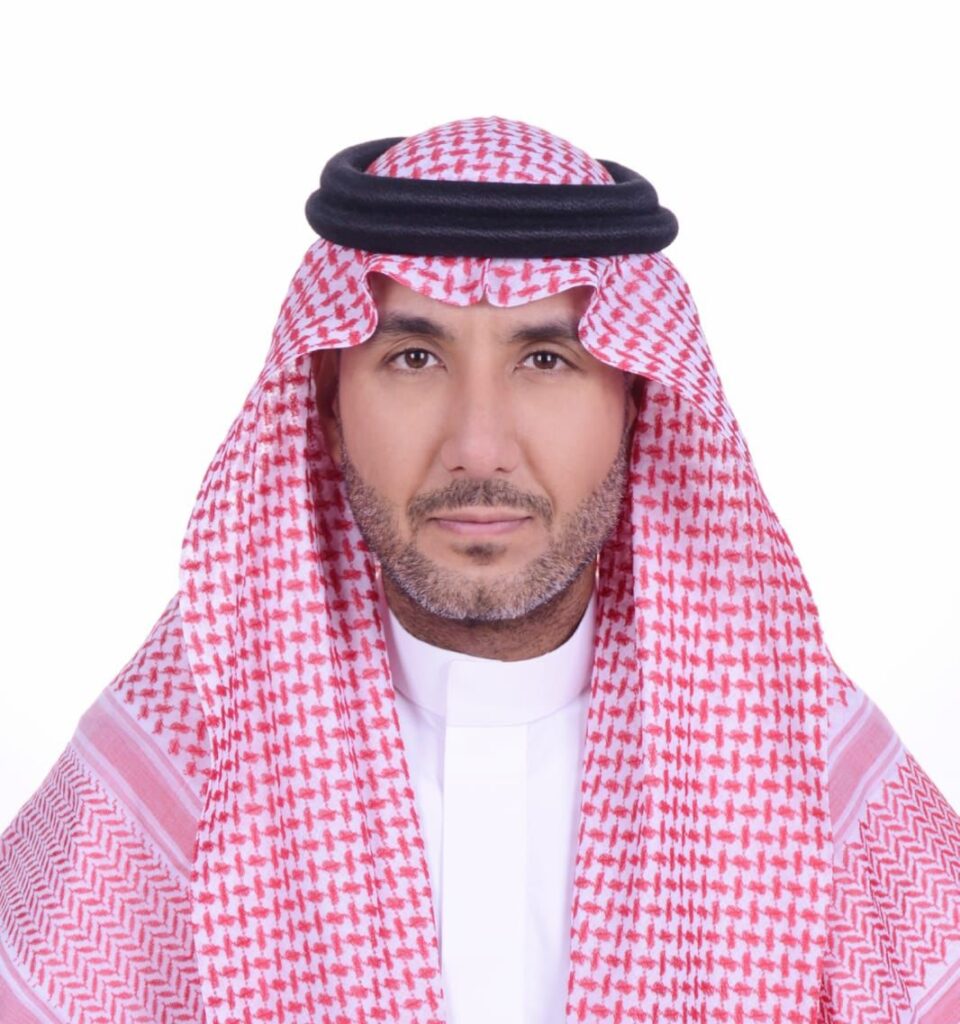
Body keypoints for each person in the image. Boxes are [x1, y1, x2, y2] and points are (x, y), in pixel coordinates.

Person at [1, 115, 958, 1024]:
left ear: (637, 401)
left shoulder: (800, 768)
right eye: (415, 357)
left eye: (546, 361)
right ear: (327, 402)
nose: (479, 446)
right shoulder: (177, 767)